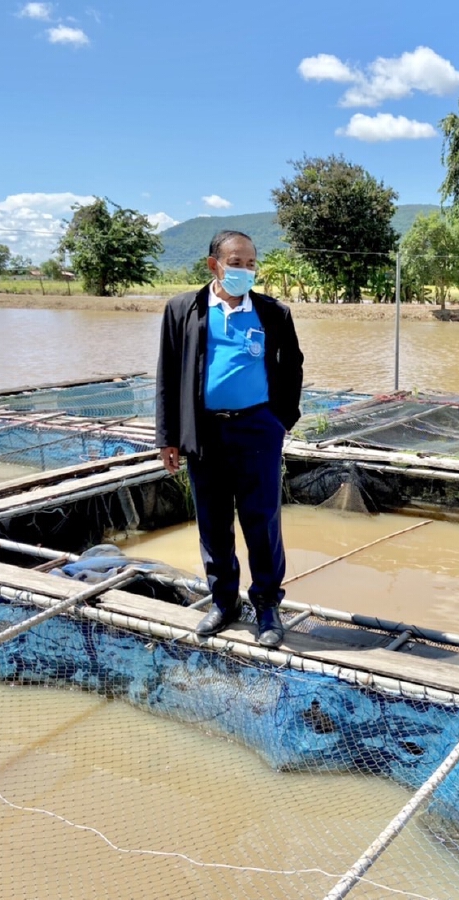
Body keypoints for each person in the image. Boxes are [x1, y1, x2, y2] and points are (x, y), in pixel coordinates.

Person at [154, 230, 304, 649]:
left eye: (252, 264)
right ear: (214, 265)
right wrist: (168, 436)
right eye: (237, 263)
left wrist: (281, 421)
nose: (246, 271)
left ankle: (268, 606)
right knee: (213, 521)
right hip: (204, 432)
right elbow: (168, 375)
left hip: (258, 429)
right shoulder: (184, 310)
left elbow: (292, 368)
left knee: (262, 521)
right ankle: (224, 603)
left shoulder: (274, 313)